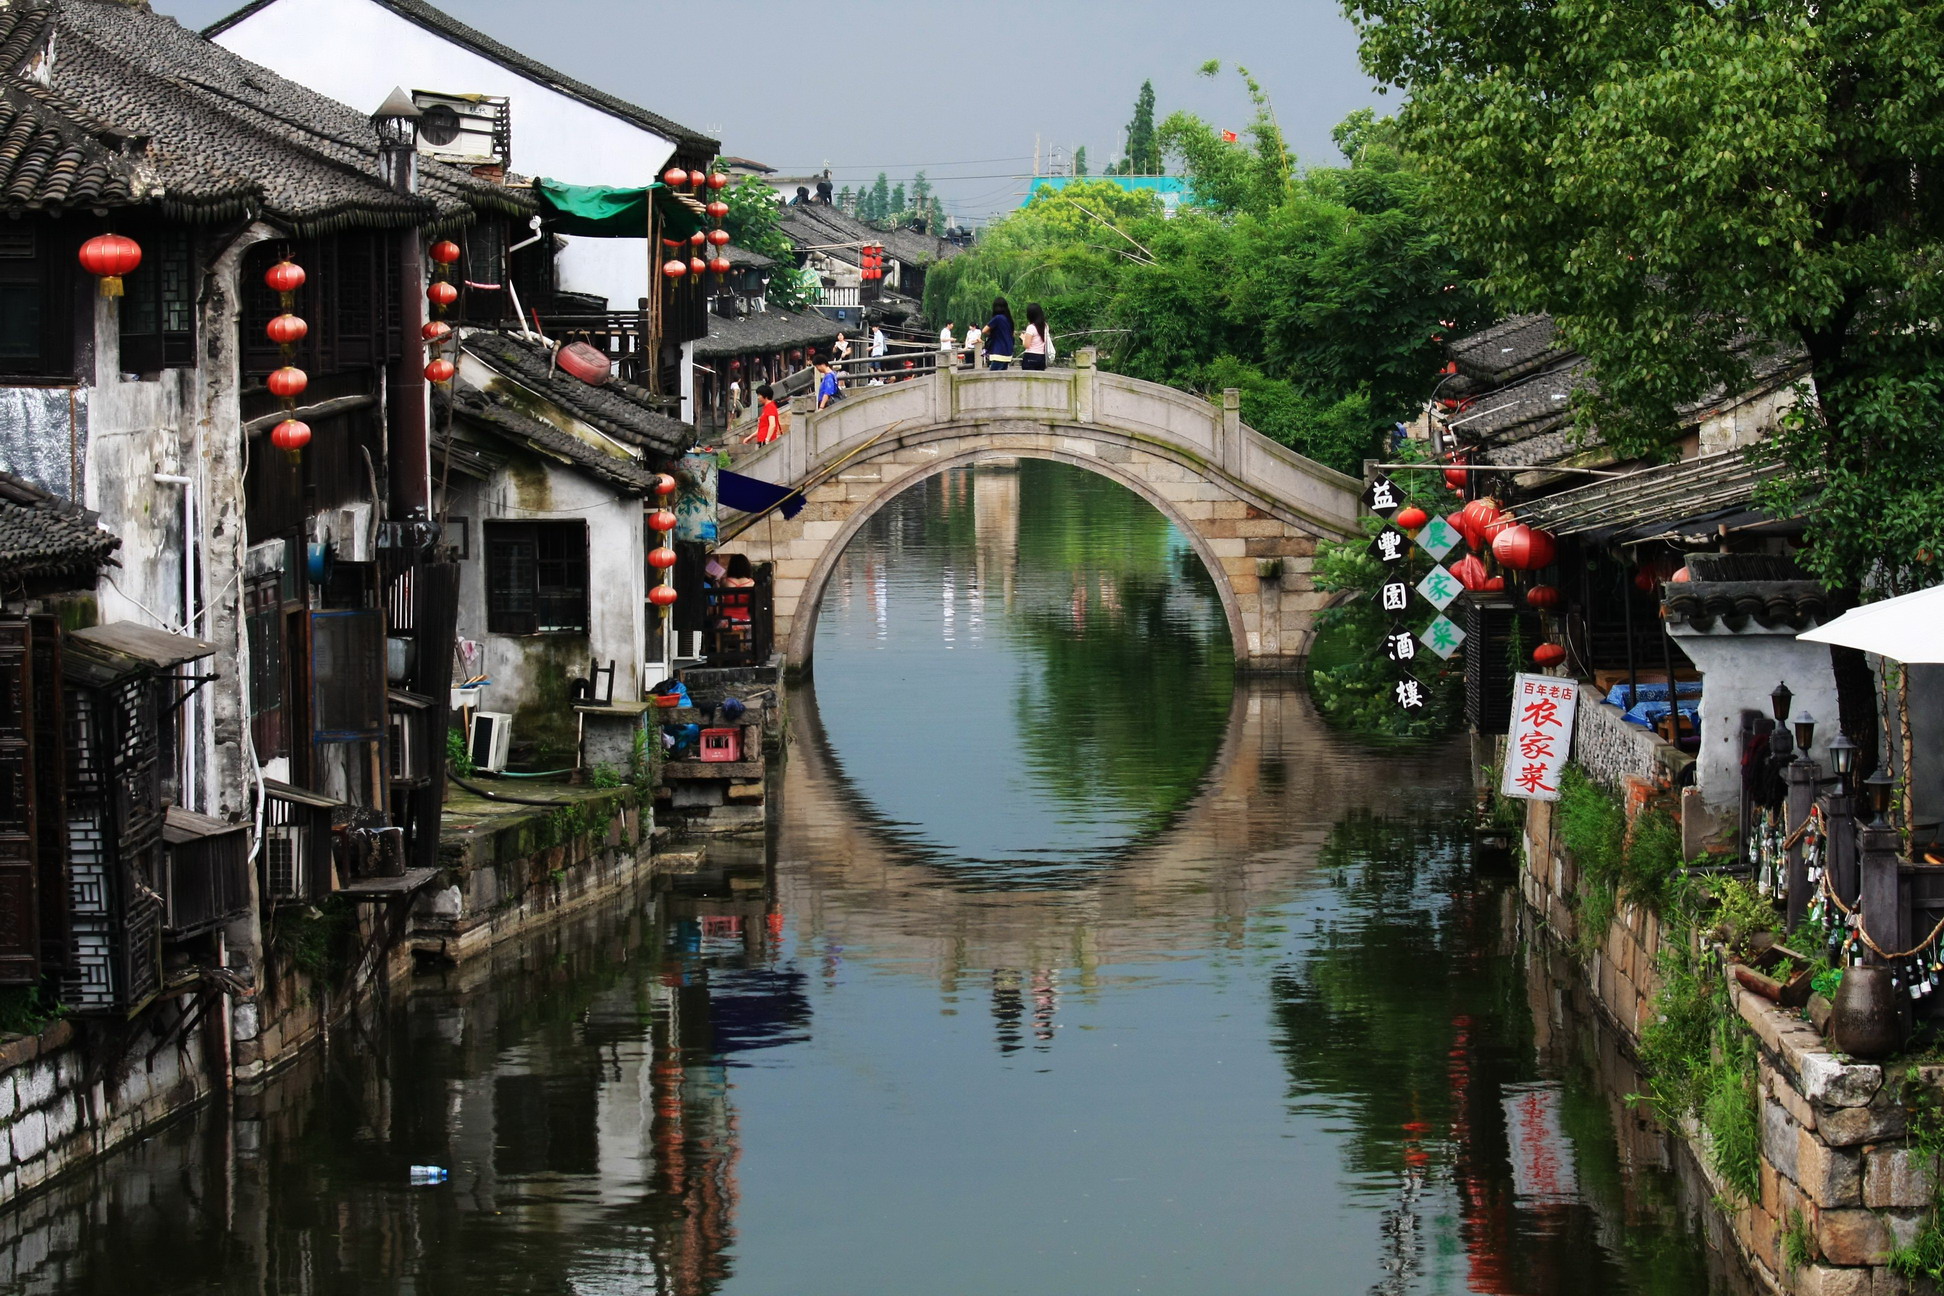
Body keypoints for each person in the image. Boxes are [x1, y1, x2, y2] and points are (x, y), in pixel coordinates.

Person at [982, 297, 1015, 371]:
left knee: (993, 378)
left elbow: (984, 330)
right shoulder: (1009, 319)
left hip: (999, 352)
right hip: (1008, 352)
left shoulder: (997, 318)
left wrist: (993, 333)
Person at [1020, 302, 1054, 371]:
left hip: (1030, 357)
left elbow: (1027, 345)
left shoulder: (1031, 327)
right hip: (1041, 357)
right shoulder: (1045, 326)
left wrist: (1023, 338)